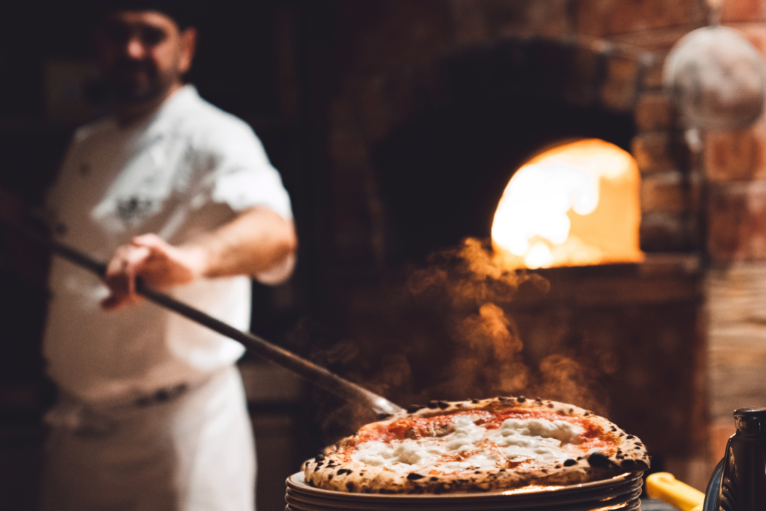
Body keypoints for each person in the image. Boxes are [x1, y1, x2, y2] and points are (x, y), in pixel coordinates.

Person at [36, 2, 297, 510]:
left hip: (182, 439)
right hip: (76, 437)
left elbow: (274, 232)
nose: (132, 50)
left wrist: (193, 260)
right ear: (98, 45)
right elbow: (65, 278)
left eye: (150, 35)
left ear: (186, 48)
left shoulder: (216, 135)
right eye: (118, 34)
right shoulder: (84, 146)